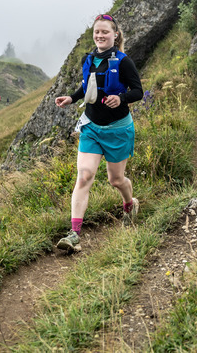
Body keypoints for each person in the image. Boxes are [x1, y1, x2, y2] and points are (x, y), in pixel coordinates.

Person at [54, 13, 144, 251]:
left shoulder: (124, 62)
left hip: (118, 130)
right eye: (97, 32)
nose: (100, 35)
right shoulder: (90, 58)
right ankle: (74, 234)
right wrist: (71, 98)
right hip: (91, 127)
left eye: (105, 32)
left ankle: (129, 204)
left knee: (116, 180)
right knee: (84, 176)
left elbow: (138, 91)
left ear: (115, 35)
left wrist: (120, 98)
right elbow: (88, 86)